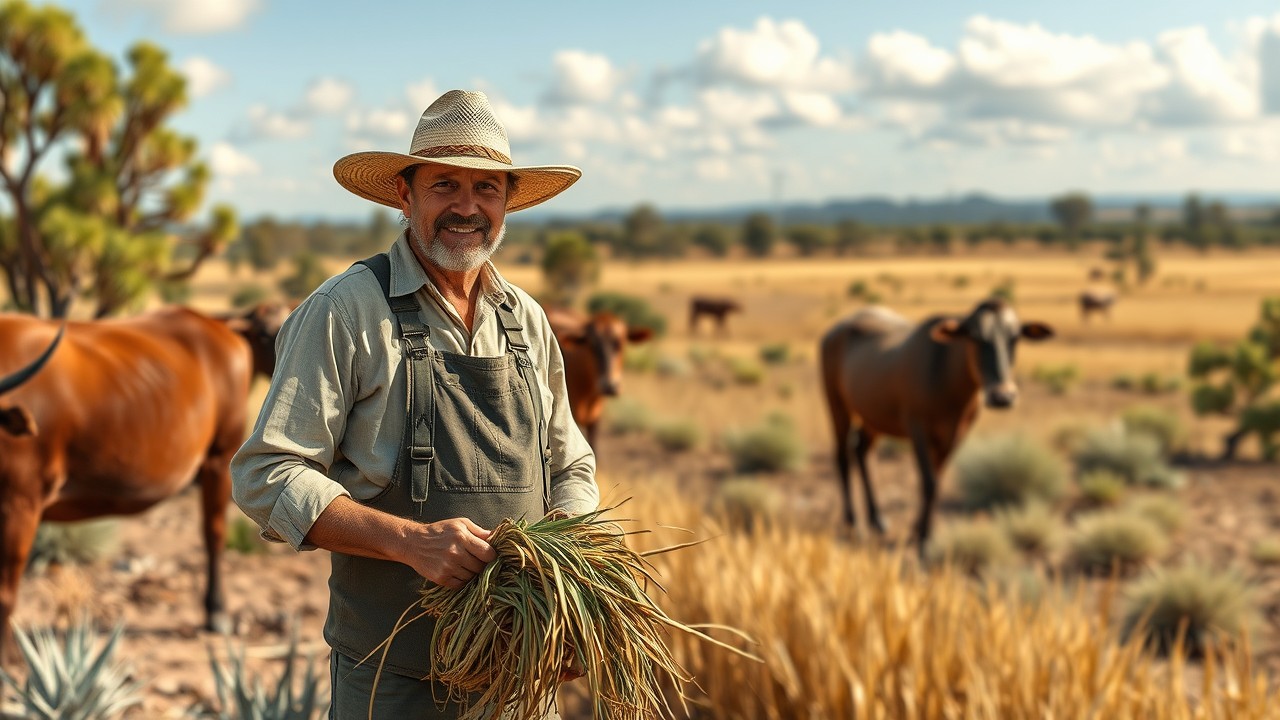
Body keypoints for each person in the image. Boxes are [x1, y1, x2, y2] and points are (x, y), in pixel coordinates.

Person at [230, 89, 599, 719]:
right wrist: (410, 541)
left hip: (518, 675)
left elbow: (570, 467)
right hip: (394, 679)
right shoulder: (345, 311)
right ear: (405, 195)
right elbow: (267, 476)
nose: (467, 206)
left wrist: (567, 582)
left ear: (508, 202)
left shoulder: (527, 322)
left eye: (486, 188)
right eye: (445, 185)